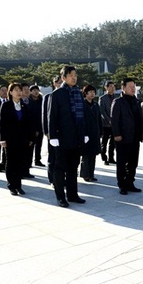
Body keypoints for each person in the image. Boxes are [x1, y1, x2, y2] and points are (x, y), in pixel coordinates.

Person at [48, 66, 87, 207]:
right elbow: (51, 116)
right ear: (63, 77)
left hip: (76, 137)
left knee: (73, 167)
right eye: (71, 75)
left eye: (75, 75)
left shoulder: (78, 93)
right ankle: (60, 197)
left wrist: (85, 133)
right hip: (62, 137)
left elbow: (84, 116)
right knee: (60, 168)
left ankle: (72, 194)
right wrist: (52, 136)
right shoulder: (57, 94)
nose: (74, 78)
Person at [0, 83, 34, 196]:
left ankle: (19, 185)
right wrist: (2, 139)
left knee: (20, 163)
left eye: (20, 90)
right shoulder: (6, 105)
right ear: (10, 92)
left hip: (22, 140)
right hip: (10, 140)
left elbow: (29, 124)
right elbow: (1, 123)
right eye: (16, 90)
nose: (19, 92)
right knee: (11, 163)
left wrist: (30, 138)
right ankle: (11, 185)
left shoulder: (24, 106)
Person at [111, 78, 143, 195]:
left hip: (135, 137)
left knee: (133, 162)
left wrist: (142, 132)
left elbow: (140, 119)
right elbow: (114, 120)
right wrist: (117, 134)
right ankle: (122, 185)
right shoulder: (118, 102)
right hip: (122, 137)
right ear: (123, 88)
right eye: (130, 87)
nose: (133, 89)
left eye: (134, 87)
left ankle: (130, 182)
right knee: (121, 162)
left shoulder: (136, 101)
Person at [80, 84, 102, 182]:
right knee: (86, 155)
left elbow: (99, 119)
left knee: (93, 154)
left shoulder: (96, 104)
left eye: (94, 92)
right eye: (90, 92)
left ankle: (91, 174)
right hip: (86, 133)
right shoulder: (82, 104)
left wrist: (100, 131)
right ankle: (85, 174)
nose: (92, 94)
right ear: (85, 93)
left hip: (95, 133)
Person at [42, 75, 62, 184]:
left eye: (61, 82)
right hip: (52, 132)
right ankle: (52, 178)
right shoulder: (48, 96)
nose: (59, 84)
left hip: (64, 132)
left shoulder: (67, 95)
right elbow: (45, 116)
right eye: (57, 82)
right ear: (54, 83)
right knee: (52, 156)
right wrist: (47, 131)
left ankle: (61, 178)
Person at [99, 80, 117, 165]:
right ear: (106, 88)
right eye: (110, 87)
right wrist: (108, 119)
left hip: (114, 124)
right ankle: (104, 157)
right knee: (104, 141)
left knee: (113, 142)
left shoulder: (116, 98)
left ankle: (111, 157)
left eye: (113, 87)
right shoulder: (102, 98)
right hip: (105, 124)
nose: (112, 88)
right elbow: (102, 111)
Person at [28, 85, 44, 168]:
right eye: (34, 90)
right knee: (31, 145)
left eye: (37, 90)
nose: (36, 92)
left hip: (40, 126)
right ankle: (29, 161)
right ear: (30, 92)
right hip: (32, 127)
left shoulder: (41, 100)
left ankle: (37, 159)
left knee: (39, 144)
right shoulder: (28, 101)